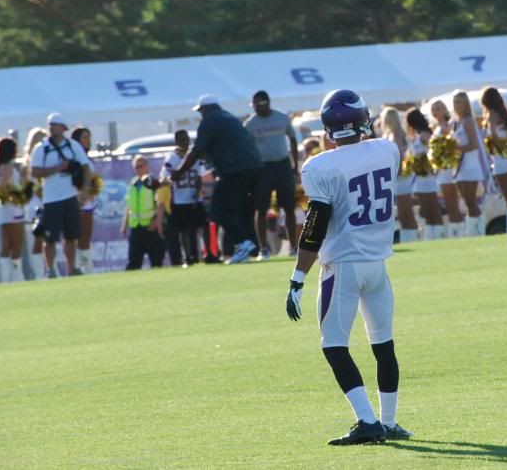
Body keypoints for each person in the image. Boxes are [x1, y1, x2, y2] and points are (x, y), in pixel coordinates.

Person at [285, 89, 411, 445]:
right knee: (383, 344)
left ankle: (367, 421)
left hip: (343, 266)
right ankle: (389, 422)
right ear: (363, 121)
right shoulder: (387, 150)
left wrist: (297, 278)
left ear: (327, 129)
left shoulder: (321, 166)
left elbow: (315, 225)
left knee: (333, 345)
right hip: (378, 265)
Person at [173, 95, 263, 265]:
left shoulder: (210, 121)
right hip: (254, 166)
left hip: (236, 169)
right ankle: (248, 244)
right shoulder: (228, 117)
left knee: (218, 209)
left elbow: (197, 150)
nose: (201, 114)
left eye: (200, 111)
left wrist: (179, 172)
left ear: (205, 109)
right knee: (239, 208)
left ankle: (244, 243)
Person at [29, 113, 92, 276]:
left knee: (72, 236)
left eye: (55, 124)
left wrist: (84, 191)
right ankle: (51, 269)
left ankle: (72, 268)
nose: (51, 127)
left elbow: (86, 168)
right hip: (51, 199)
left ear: (63, 128)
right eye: (50, 124)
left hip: (70, 196)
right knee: (50, 239)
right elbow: (34, 172)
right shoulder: (41, 148)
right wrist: (58, 168)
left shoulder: (73, 146)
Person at [244, 90, 299, 260]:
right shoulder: (250, 123)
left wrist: (295, 166)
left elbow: (292, 138)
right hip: (263, 168)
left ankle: (293, 246)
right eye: (254, 105)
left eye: (258, 104)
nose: (256, 108)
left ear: (267, 103)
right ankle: (264, 249)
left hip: (282, 165)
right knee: (261, 209)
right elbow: (247, 148)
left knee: (289, 208)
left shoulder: (281, 118)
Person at [160, 130, 211, 266]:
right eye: (182, 140)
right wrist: (170, 185)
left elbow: (200, 175)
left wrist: (198, 192)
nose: (185, 143)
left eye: (187, 140)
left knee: (204, 226)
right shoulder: (171, 158)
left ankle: (209, 253)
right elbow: (165, 178)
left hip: (195, 198)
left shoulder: (194, 157)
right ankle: (188, 256)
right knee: (184, 230)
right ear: (176, 142)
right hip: (180, 199)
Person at [480, 87, 507, 235]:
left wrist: (500, 142)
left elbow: (492, 134)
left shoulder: (492, 115)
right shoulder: (504, 113)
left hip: (501, 160)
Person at [452, 91, 490, 237]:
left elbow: (474, 144)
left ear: (466, 104)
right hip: (459, 166)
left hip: (470, 165)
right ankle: (472, 231)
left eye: (460, 102)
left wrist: (455, 149)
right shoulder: (456, 123)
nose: (457, 106)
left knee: (470, 201)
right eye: (455, 102)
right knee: (465, 202)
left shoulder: (468, 121)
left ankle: (479, 231)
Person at [380, 107, 420, 242]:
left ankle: (414, 238)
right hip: (395, 176)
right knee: (402, 213)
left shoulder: (396, 133)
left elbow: (400, 155)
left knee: (406, 211)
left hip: (400, 176)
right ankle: (408, 237)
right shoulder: (390, 134)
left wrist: (396, 172)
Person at [405, 108, 444, 239]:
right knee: (426, 212)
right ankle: (430, 238)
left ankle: (439, 237)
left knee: (434, 211)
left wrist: (428, 164)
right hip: (419, 180)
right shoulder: (416, 135)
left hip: (428, 178)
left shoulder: (424, 134)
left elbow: (435, 152)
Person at [121, 155, 165, 270]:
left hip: (151, 228)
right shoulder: (133, 184)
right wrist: (124, 225)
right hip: (136, 227)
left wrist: (155, 221)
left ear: (147, 167)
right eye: (136, 167)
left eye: (141, 166)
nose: (139, 169)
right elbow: (129, 206)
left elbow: (160, 203)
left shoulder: (153, 182)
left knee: (156, 262)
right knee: (133, 263)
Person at [0, 137, 27, 283]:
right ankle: (16, 275)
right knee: (16, 243)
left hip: (5, 209)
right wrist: (14, 197)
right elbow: (3, 187)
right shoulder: (7, 167)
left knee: (7, 243)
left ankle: (6, 277)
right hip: (11, 208)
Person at [430, 100, 465, 237]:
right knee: (448, 205)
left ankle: (459, 233)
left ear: (445, 110)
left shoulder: (450, 125)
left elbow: (454, 146)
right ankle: (454, 232)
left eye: (438, 108)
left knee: (452, 204)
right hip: (440, 170)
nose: (435, 112)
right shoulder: (436, 128)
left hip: (449, 168)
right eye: (433, 109)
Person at [71, 126, 97, 274]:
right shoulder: (75, 159)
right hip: (78, 200)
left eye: (89, 137)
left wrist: (93, 191)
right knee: (78, 236)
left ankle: (86, 267)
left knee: (86, 235)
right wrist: (81, 194)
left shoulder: (87, 158)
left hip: (88, 201)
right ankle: (81, 268)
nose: (88, 141)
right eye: (85, 137)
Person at [23, 127, 48, 280]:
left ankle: (46, 269)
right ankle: (39, 272)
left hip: (42, 201)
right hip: (36, 204)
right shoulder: (31, 164)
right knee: (38, 238)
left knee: (47, 239)